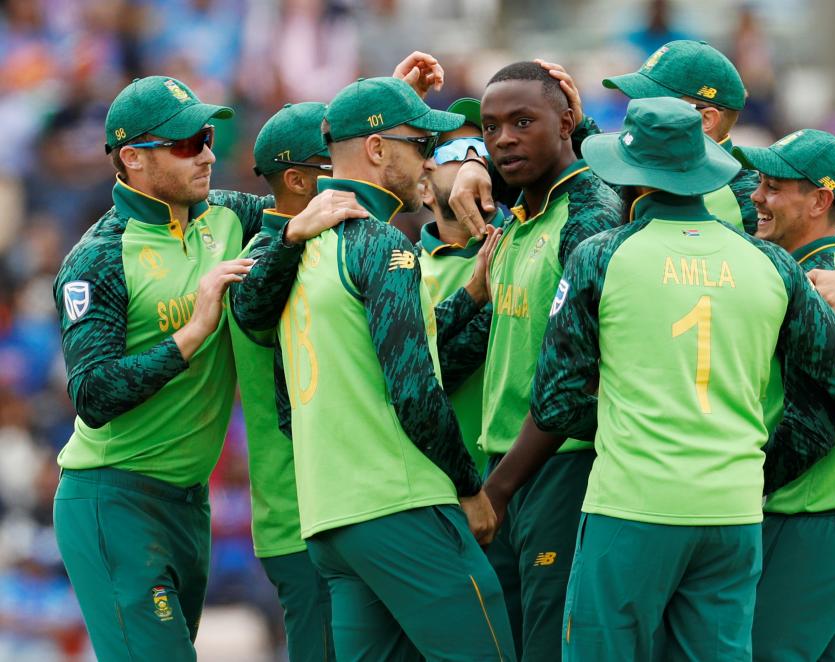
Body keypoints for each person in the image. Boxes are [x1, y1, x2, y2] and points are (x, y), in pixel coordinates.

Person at [483, 97, 835, 661]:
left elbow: (556, 403)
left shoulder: (601, 255)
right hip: (730, 515)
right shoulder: (770, 264)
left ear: (628, 178)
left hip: (635, 506)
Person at [50, 75, 345, 660]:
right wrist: (191, 334)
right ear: (131, 158)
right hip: (115, 499)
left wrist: (382, 115)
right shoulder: (99, 257)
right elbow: (92, 393)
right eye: (186, 144)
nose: (209, 153)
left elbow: (311, 189)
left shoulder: (229, 217)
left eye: (207, 136)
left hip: (189, 504)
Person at [239, 76, 516, 661]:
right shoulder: (377, 243)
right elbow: (415, 390)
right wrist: (470, 488)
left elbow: (275, 360)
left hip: (330, 518)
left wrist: (468, 298)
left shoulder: (294, 246)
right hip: (401, 506)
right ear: (376, 149)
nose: (429, 160)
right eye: (420, 144)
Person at [450, 41, 835, 322]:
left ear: (705, 120)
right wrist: (470, 156)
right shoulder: (620, 168)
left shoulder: (751, 195)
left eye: (650, 103)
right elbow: (523, 172)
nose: (632, 113)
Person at [440, 61, 622, 661]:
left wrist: (498, 489)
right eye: (491, 129)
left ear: (568, 121)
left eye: (523, 122)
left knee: (547, 647)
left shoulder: (589, 215)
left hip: (558, 467)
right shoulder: (516, 222)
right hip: (501, 464)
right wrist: (468, 160)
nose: (504, 140)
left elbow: (579, 375)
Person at [734, 129, 835, 660]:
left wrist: (732, 490)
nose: (758, 196)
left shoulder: (813, 289)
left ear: (820, 200)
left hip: (805, 523)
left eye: (774, 186)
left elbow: (811, 427)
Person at [232, 101, 366, 662]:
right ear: (297, 179)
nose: (355, 169)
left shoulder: (324, 240)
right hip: (301, 520)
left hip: (343, 511)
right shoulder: (262, 262)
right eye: (334, 158)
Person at [417, 97, 492, 473]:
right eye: (457, 151)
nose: (472, 163)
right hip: (442, 486)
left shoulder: (525, 246)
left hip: (524, 484)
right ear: (424, 189)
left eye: (481, 150)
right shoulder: (403, 269)